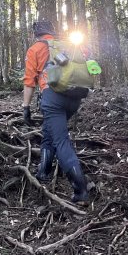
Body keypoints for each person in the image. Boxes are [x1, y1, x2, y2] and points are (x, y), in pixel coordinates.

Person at [22, 20, 89, 204]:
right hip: (74, 98)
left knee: (61, 140)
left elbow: (29, 82)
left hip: (52, 99)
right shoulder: (66, 45)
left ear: (36, 34)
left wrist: (25, 107)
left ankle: (80, 189)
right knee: (50, 131)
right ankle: (43, 171)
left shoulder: (35, 49)